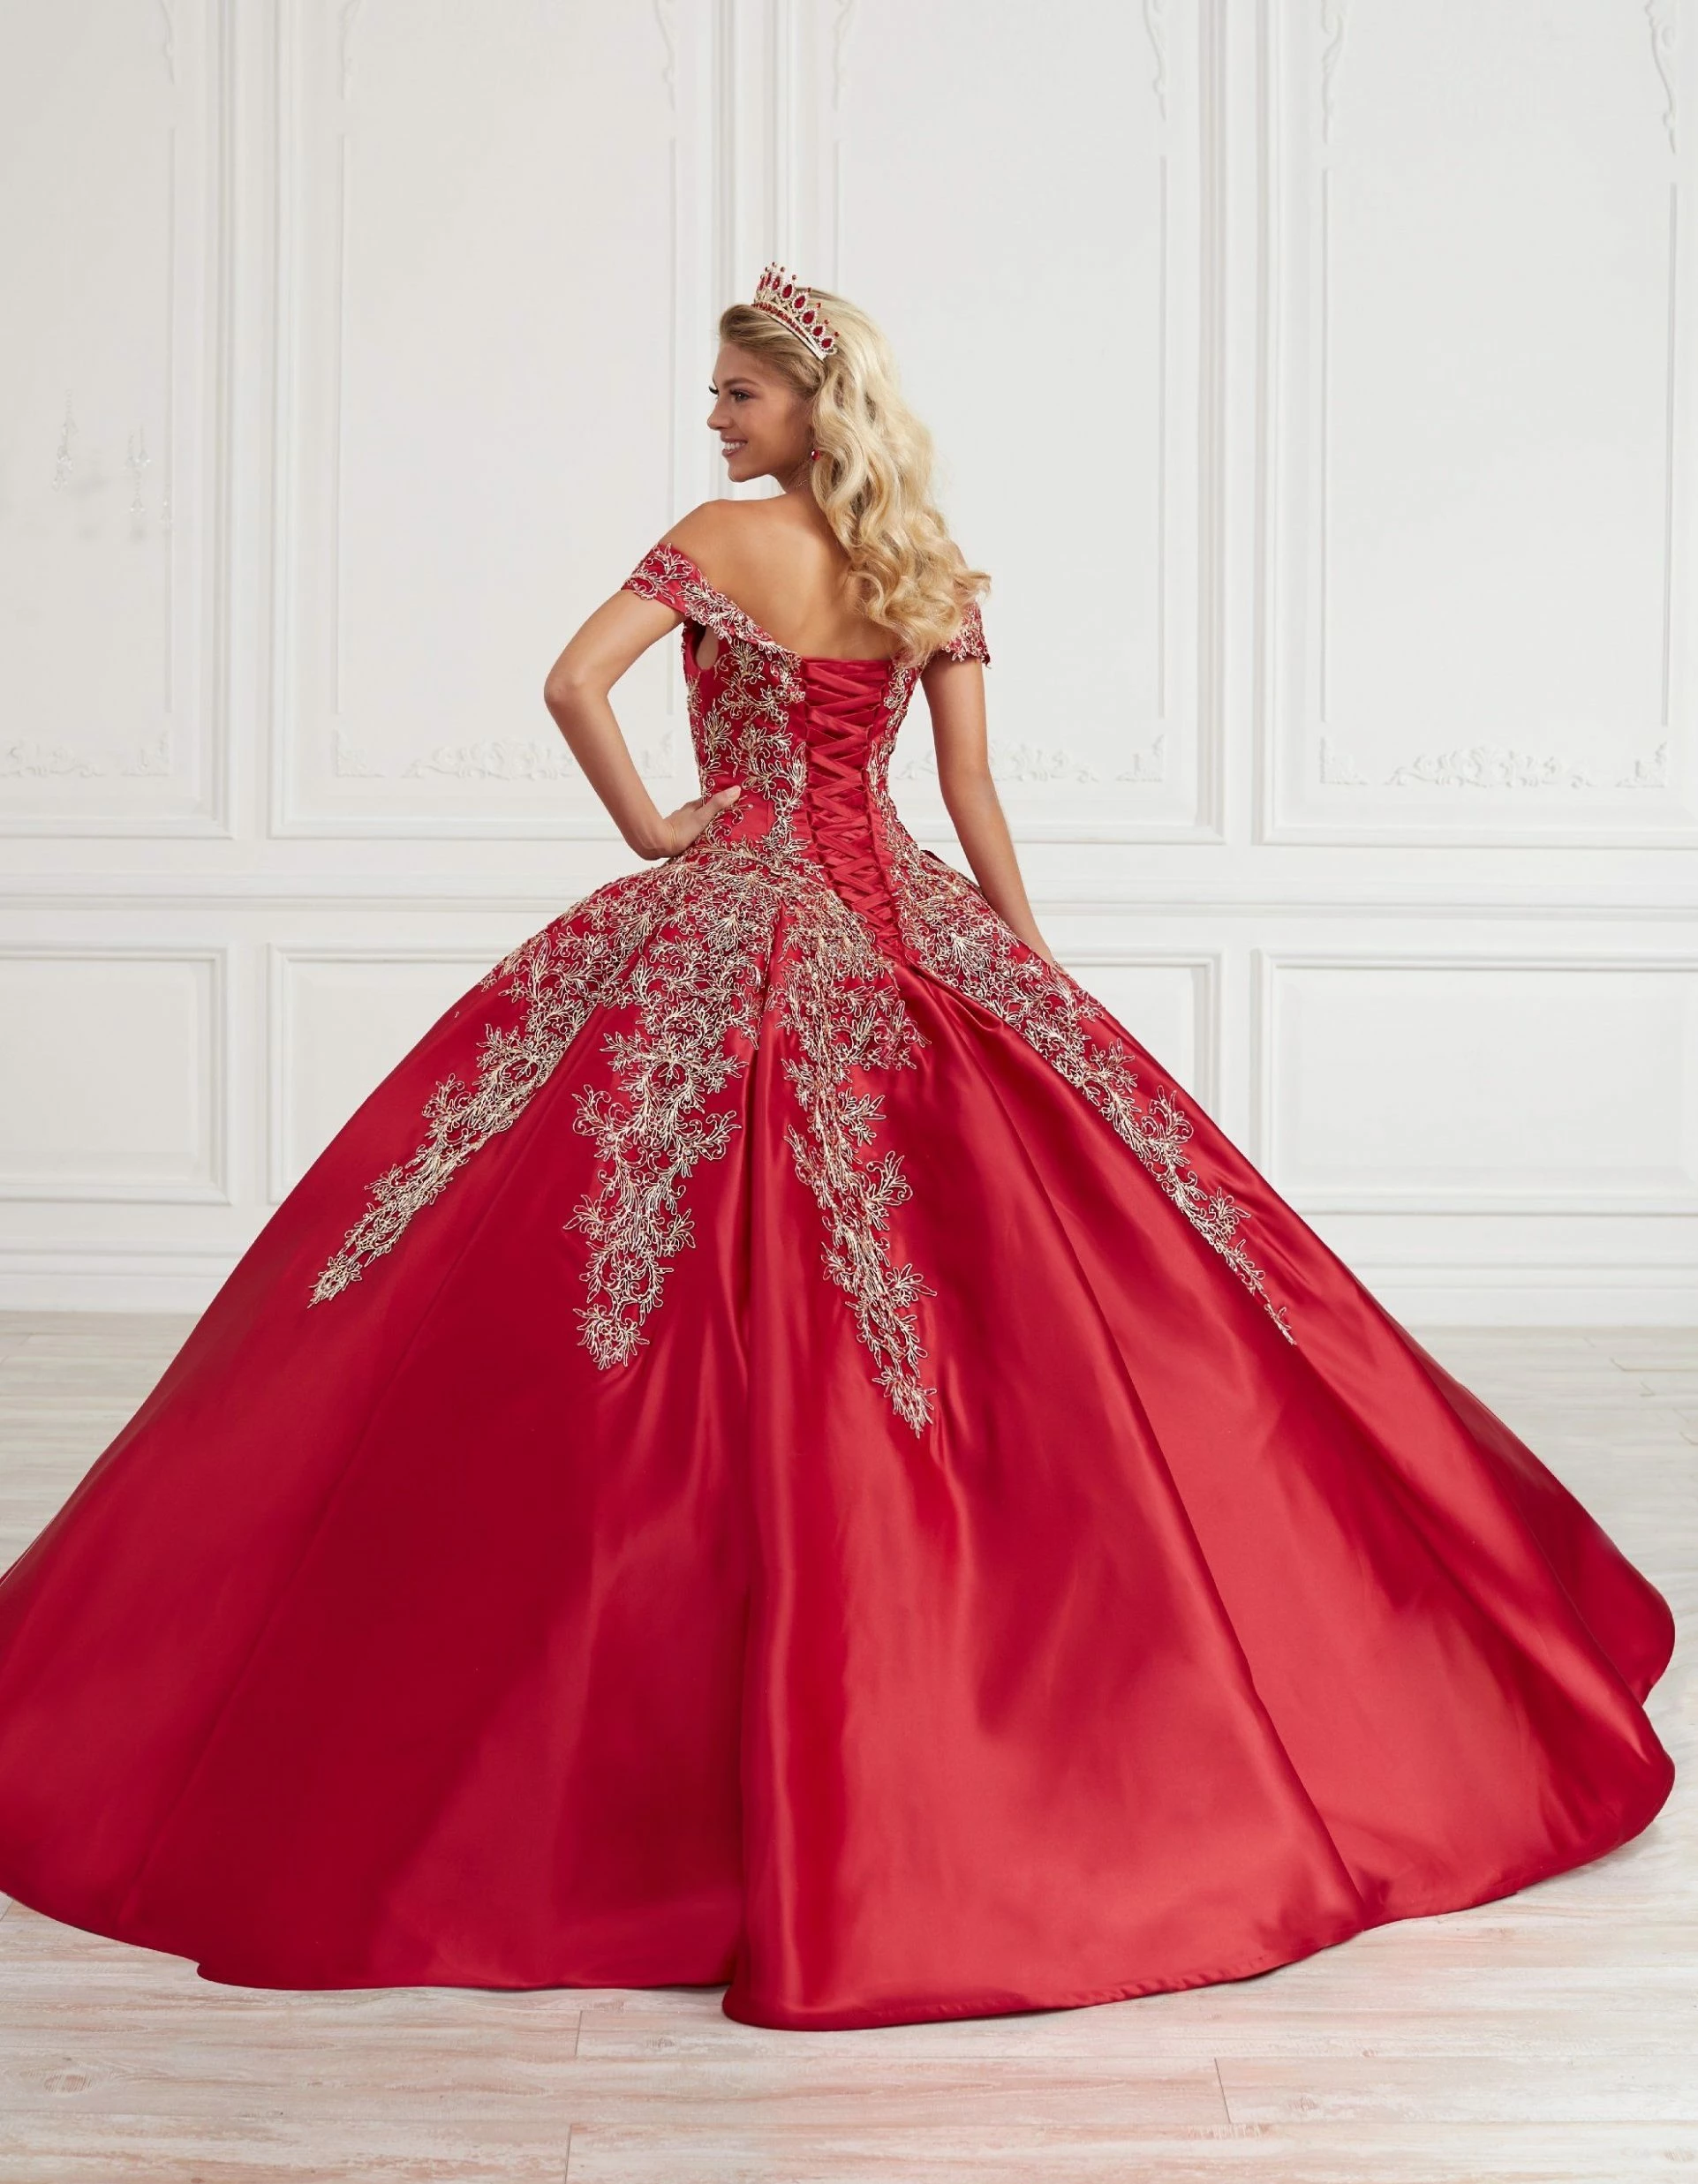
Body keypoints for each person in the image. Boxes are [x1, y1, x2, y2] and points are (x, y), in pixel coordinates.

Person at [0, 267, 1674, 2034]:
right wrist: (1024, 966)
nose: (714, 418)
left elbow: (571, 681)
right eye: (719, 394)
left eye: (739, 393)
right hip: (900, 924)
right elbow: (966, 793)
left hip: (728, 911)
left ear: (812, 404)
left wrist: (658, 827)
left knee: (569, 1287)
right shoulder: (927, 568)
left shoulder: (717, 543)